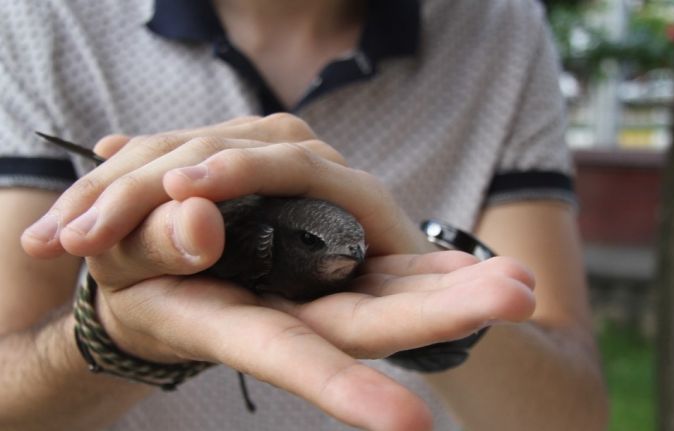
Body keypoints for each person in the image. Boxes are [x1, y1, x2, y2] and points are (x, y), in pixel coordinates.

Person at [0, 0, 608, 430]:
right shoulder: (44, 16)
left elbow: (570, 417)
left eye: (353, 254)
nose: (348, 261)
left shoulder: (501, 27)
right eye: (327, 250)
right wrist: (120, 335)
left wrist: (443, 301)